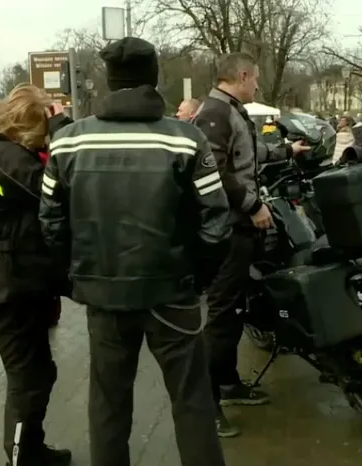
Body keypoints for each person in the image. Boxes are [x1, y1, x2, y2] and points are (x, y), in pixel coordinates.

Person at [38, 37, 231, 466]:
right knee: (192, 403)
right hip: (173, 294)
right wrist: (195, 278)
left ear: (109, 81)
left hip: (104, 296)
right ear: (154, 78)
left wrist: (77, 280)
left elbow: (50, 224)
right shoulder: (186, 139)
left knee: (108, 405)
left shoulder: (68, 142)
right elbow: (217, 222)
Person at [192, 51, 309, 437]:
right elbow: (215, 172)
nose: (257, 84)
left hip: (240, 226)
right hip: (228, 227)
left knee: (236, 309)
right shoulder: (215, 113)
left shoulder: (230, 110)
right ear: (242, 75)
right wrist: (253, 205)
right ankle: (206, 407)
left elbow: (247, 156)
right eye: (255, 78)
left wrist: (286, 151)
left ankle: (228, 384)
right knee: (223, 314)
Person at [0, 84, 73, 466]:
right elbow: (59, 192)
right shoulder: (7, 160)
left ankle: (32, 450)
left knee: (38, 372)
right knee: (28, 377)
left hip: (14, 279)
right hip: (9, 283)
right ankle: (23, 458)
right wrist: (63, 130)